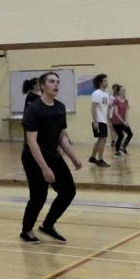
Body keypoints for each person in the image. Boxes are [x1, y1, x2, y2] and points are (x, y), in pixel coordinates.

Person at [20, 71, 83, 243]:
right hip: (33, 158)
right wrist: (44, 168)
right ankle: (26, 230)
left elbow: (61, 136)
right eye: (51, 81)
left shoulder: (60, 107)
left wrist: (73, 157)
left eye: (57, 82)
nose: (56, 85)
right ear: (42, 86)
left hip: (52, 155)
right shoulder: (34, 109)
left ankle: (48, 225)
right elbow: (32, 142)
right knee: (39, 196)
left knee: (68, 191)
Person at [88, 73, 111, 167]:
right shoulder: (96, 93)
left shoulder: (106, 94)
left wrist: (109, 121)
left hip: (104, 121)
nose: (107, 82)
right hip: (99, 121)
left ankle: (92, 158)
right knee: (102, 140)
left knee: (101, 140)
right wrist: (95, 121)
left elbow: (107, 108)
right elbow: (93, 108)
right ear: (100, 82)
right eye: (105, 80)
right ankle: (100, 159)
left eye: (106, 80)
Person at [109, 84, 133, 155]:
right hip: (115, 121)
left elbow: (125, 112)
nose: (124, 91)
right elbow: (116, 113)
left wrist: (126, 121)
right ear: (119, 92)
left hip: (122, 121)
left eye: (124, 90)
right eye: (122, 90)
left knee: (130, 134)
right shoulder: (115, 100)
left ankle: (123, 147)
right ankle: (117, 151)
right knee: (121, 135)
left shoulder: (126, 101)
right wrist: (123, 121)